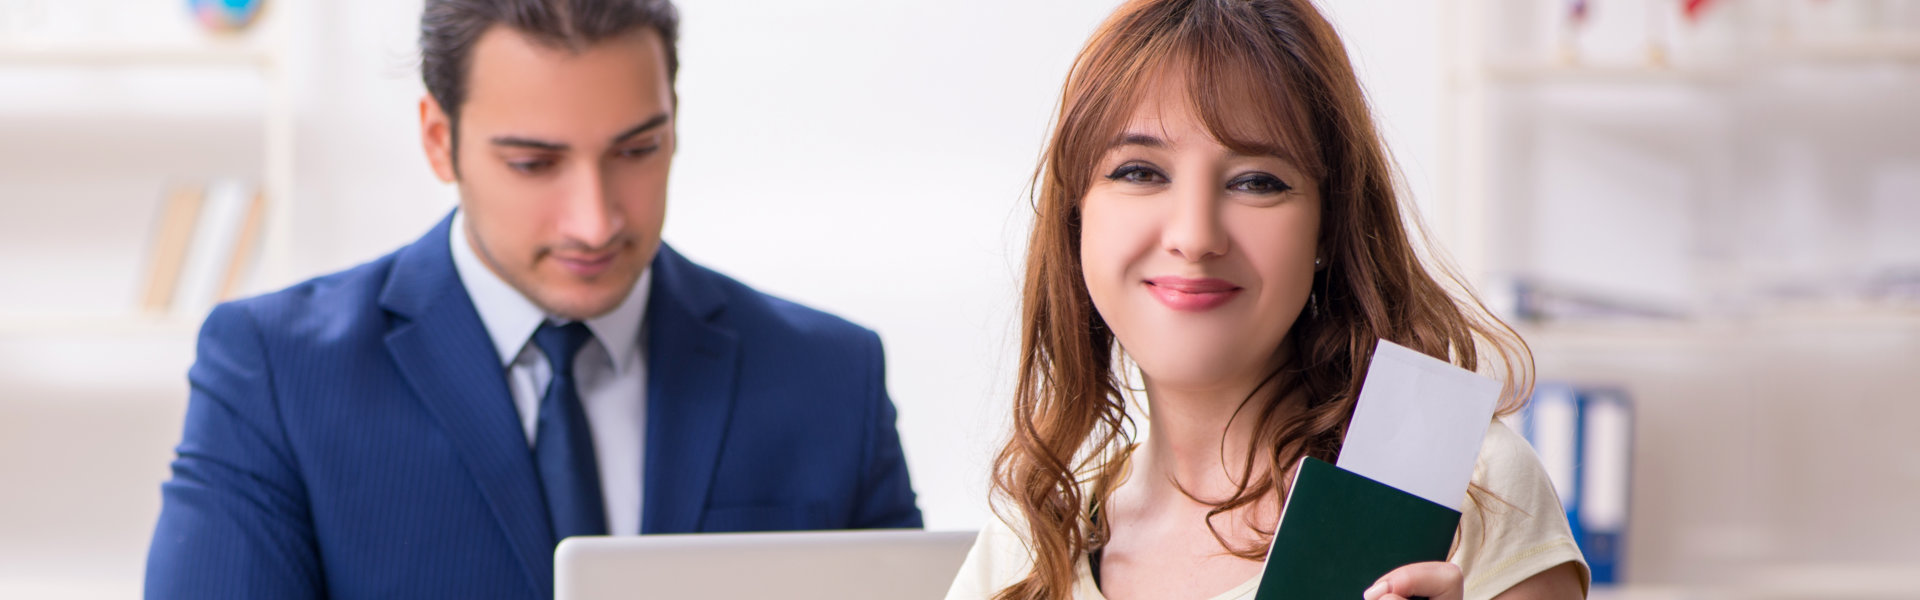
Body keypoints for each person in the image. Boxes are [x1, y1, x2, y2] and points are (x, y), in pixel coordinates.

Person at [144, 1, 921, 598]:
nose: (596, 220)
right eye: (534, 163)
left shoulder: (829, 377)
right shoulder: (273, 372)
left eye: (637, 150)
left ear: (675, 125)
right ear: (436, 139)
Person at [945, 1, 1588, 599]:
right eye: (1139, 171)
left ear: (1328, 227)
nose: (1194, 237)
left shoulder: (1465, 492)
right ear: (1075, 216)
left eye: (1257, 182)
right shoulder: (1029, 547)